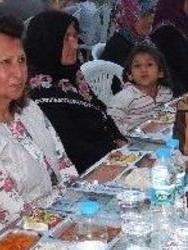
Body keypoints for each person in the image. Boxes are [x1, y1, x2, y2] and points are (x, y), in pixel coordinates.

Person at [0, 16, 77, 226]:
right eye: (5, 62)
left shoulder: (29, 109)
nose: (18, 73)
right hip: (22, 235)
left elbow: (66, 168)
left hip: (63, 217)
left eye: (21, 60)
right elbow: (12, 214)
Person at [24, 10, 126, 173]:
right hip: (88, 172)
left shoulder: (72, 76)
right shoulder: (40, 93)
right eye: (66, 38)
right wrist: (117, 157)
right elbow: (74, 148)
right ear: (47, 41)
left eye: (75, 36)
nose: (75, 45)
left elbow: (100, 111)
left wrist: (120, 142)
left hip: (110, 158)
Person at [107, 44, 173, 133]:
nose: (143, 70)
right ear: (130, 75)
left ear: (160, 72)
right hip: (132, 139)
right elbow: (110, 127)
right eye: (137, 66)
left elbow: (169, 115)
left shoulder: (165, 92)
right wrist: (141, 130)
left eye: (149, 64)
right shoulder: (123, 98)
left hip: (161, 137)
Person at [100, 0, 155, 71]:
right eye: (144, 16)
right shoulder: (119, 45)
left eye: (150, 14)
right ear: (129, 18)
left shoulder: (142, 40)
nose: (150, 20)